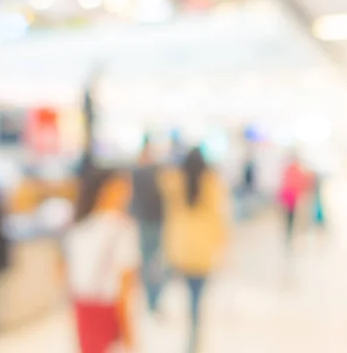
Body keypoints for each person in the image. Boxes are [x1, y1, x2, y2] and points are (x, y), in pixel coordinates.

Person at [63, 168, 140, 353]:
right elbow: (125, 287)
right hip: (109, 310)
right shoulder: (123, 228)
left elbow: (67, 274)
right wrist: (128, 331)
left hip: (82, 308)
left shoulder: (78, 227)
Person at [160, 147, 228, 353]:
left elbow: (163, 183)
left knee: (189, 292)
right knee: (197, 295)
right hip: (203, 249)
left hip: (182, 248)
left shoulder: (176, 181)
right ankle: (194, 332)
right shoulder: (212, 183)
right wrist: (222, 243)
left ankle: (191, 331)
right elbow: (219, 217)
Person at [131, 139, 166, 314]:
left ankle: (153, 297)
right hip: (148, 222)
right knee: (151, 261)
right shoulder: (152, 172)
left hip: (152, 221)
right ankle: (151, 298)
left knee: (152, 261)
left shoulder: (142, 172)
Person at [278, 156, 311, 248]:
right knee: (292, 217)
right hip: (292, 197)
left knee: (289, 218)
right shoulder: (297, 171)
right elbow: (302, 182)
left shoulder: (288, 170)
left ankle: (289, 234)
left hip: (287, 197)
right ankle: (291, 234)